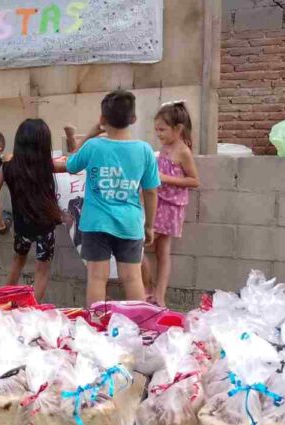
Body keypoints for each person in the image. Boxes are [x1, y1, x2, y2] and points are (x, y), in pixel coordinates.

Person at [60, 90, 160, 307]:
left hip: (96, 224)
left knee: (97, 278)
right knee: (133, 278)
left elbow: (71, 164)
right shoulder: (145, 150)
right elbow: (151, 192)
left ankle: (95, 327)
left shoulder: (94, 146)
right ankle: (137, 326)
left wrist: (91, 133)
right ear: (133, 119)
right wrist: (150, 225)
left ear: (103, 119)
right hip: (130, 223)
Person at [0, 120, 64, 304]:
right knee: (42, 270)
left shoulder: (8, 167)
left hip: (22, 228)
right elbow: (75, 164)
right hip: (45, 227)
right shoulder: (47, 166)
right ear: (44, 143)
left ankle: (2, 305)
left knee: (17, 263)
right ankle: (31, 310)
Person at [141, 101, 200, 307]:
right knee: (151, 249)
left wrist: (164, 178)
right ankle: (152, 292)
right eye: (156, 129)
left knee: (148, 248)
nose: (158, 133)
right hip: (157, 202)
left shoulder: (183, 151)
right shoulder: (165, 147)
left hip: (170, 206)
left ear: (178, 128)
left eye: (162, 129)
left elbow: (194, 180)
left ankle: (156, 293)